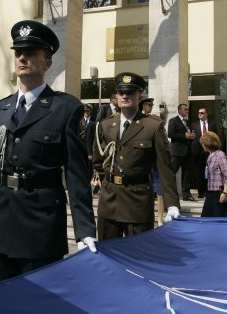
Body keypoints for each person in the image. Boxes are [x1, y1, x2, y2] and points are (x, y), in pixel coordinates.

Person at [0, 20, 96, 285]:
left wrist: (85, 231)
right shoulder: (1, 109)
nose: (22, 57)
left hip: (41, 226)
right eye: (18, 52)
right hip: (1, 222)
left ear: (47, 63)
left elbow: (77, 175)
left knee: (38, 309)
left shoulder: (65, 109)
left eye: (31, 52)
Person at [92, 72, 180, 240]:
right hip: (109, 200)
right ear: (116, 96)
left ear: (140, 96)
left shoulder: (152, 126)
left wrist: (172, 204)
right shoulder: (105, 125)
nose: (125, 96)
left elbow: (165, 168)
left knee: (138, 257)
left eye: (130, 92)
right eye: (121, 92)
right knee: (109, 256)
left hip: (137, 201)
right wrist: (109, 181)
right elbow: (98, 162)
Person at [199, 131, 227, 218]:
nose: (202, 145)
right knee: (206, 219)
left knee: (221, 220)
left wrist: (225, 192)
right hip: (210, 193)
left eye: (203, 143)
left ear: (207, 143)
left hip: (219, 193)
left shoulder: (220, 155)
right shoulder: (210, 156)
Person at [168, 103, 196, 201]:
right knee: (172, 172)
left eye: (188, 110)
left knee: (187, 174)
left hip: (188, 152)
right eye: (185, 109)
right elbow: (170, 134)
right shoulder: (173, 121)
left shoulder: (188, 122)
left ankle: (186, 194)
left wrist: (192, 136)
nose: (187, 111)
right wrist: (184, 136)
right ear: (179, 110)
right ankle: (168, 193)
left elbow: (190, 133)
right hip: (177, 152)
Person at [192, 107, 216, 197]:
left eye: (202, 113)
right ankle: (201, 192)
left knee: (210, 170)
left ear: (206, 114)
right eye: (199, 113)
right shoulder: (194, 124)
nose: (200, 114)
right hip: (198, 152)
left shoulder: (212, 124)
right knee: (200, 172)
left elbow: (215, 137)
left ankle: (209, 190)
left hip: (209, 151)